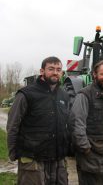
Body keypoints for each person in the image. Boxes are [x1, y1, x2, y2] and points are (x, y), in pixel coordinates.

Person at [7, 56, 70, 185]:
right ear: (42, 71)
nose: (55, 72)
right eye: (51, 69)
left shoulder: (64, 95)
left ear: (62, 73)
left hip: (58, 160)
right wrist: (13, 152)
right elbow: (13, 124)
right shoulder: (26, 94)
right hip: (33, 159)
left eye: (58, 69)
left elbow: (66, 124)